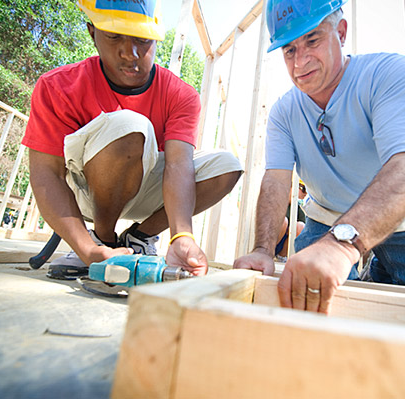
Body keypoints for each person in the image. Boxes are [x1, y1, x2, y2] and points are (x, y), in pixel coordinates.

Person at [233, 0, 405, 315]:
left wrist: (341, 244)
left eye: (312, 40)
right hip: (325, 218)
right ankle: (379, 271)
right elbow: (276, 179)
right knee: (307, 308)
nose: (300, 62)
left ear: (340, 32)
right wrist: (262, 250)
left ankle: (380, 269)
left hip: (402, 216)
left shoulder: (386, 74)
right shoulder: (285, 112)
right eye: (289, 50)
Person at [22, 0, 242, 276]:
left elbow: (178, 165)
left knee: (226, 165)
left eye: (142, 39)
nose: (130, 53)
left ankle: (138, 239)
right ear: (92, 33)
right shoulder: (58, 86)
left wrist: (181, 237)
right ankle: (102, 238)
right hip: (83, 193)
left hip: (149, 190)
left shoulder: (180, 95)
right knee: (131, 124)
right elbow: (46, 175)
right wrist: (85, 249)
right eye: (114, 36)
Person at [274, 180, 307, 262]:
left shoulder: (297, 208)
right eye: (303, 189)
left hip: (283, 245)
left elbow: (304, 229)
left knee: (300, 226)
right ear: (292, 186)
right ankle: (268, 253)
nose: (305, 193)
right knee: (283, 221)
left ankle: (282, 257)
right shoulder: (277, 200)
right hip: (270, 241)